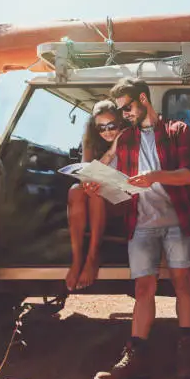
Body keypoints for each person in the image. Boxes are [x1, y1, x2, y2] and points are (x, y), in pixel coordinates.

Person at [93, 78, 190, 379]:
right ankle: (136, 358)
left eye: (127, 107)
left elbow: (189, 174)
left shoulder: (176, 131)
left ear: (143, 99)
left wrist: (155, 176)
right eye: (120, 110)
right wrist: (95, 180)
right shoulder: (126, 139)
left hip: (177, 220)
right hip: (141, 222)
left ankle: (187, 351)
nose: (124, 114)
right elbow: (109, 171)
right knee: (143, 289)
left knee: (183, 283)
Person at [65, 100, 124, 291]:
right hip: (99, 197)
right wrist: (88, 181)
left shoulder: (129, 139)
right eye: (101, 127)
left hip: (122, 200)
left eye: (111, 126)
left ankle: (92, 257)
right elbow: (85, 171)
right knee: (76, 190)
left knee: (96, 193)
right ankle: (77, 259)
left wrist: (115, 148)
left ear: (120, 124)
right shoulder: (91, 140)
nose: (107, 131)